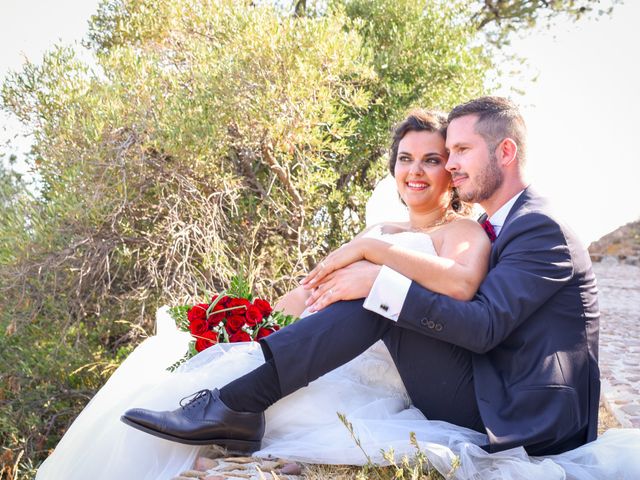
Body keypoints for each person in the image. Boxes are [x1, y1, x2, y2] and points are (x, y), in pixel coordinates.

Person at [121, 96, 601, 458]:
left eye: (459, 151)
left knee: (382, 293)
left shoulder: (540, 228)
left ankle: (237, 405)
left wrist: (379, 279)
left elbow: (484, 326)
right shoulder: (507, 224)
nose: (450, 165)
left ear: (506, 151)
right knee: (380, 291)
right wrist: (246, 321)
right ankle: (236, 404)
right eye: (445, 153)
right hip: (487, 386)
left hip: (525, 416)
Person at [37, 109, 497, 479]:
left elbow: (460, 284)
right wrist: (247, 326)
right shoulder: (377, 229)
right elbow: (312, 292)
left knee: (371, 298)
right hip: (348, 359)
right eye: (405, 158)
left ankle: (234, 408)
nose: (415, 171)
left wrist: (372, 255)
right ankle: (227, 408)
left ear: (450, 171)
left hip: (419, 372)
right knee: (223, 371)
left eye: (431, 160)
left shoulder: (462, 231)